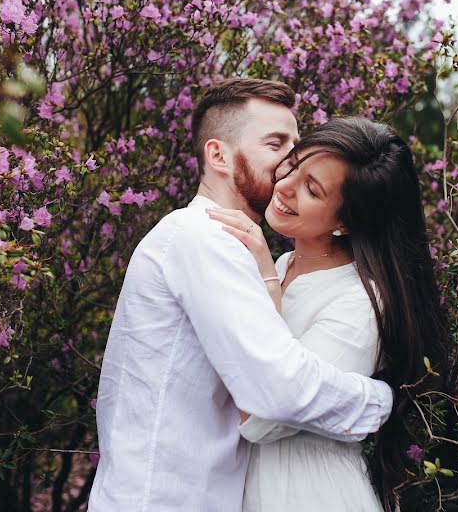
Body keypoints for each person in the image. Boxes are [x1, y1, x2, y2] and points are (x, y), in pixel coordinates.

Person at [88, 79, 394, 511]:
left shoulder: (231, 247)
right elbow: (276, 390)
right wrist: (378, 402)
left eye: (295, 145)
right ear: (218, 155)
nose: (290, 161)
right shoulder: (205, 239)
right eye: (275, 144)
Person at [207, 116, 449, 512]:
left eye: (312, 189)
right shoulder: (284, 265)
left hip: (306, 493)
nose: (284, 186)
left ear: (345, 221)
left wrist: (266, 279)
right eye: (294, 164)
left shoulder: (361, 303)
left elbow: (266, 413)